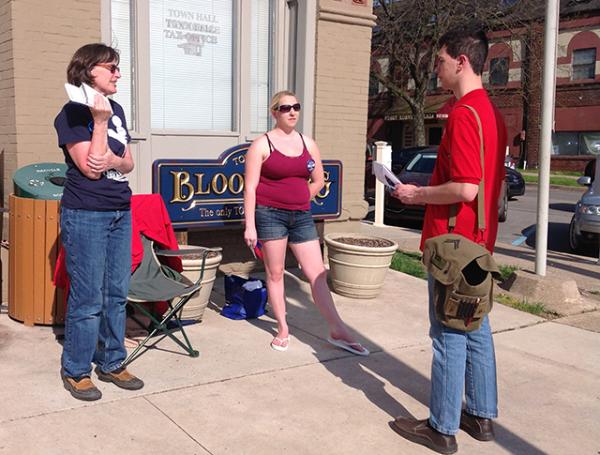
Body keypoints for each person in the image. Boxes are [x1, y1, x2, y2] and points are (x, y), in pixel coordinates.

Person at [389, 27, 507, 454]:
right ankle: (481, 415)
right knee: (476, 328)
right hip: (480, 243)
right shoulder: (492, 113)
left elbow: (466, 189)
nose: (435, 69)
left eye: (439, 61)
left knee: (448, 334)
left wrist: (415, 194)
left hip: (453, 245)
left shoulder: (462, 113)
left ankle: (442, 426)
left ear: (461, 60)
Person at [244, 90, 369, 356]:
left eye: (296, 107)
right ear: (274, 112)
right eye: (285, 107)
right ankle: (282, 329)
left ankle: (338, 330)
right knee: (275, 273)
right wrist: (250, 225)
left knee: (318, 274)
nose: (292, 112)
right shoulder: (261, 145)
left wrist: (302, 196)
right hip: (269, 215)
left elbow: (319, 180)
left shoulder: (308, 143)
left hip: (301, 216)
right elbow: (251, 187)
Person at [54, 43, 143, 401]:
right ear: (89, 70)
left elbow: (129, 162)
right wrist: (101, 124)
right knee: (88, 297)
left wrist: (113, 160)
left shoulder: (117, 108)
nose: (118, 73)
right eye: (112, 67)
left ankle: (111, 362)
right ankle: (76, 370)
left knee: (117, 294)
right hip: (87, 212)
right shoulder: (72, 114)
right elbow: (91, 168)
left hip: (120, 210)